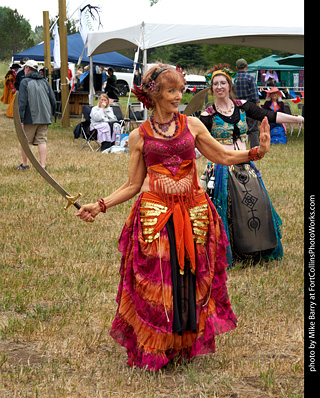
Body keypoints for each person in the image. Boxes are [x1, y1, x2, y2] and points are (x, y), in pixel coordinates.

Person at [76, 64, 272, 371]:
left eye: (180, 90)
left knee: (188, 278)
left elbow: (221, 155)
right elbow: (132, 185)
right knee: (158, 281)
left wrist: (255, 152)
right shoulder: (138, 136)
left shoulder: (192, 125)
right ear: (154, 94)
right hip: (155, 214)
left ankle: (183, 341)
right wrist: (99, 205)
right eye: (171, 91)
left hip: (194, 211)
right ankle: (157, 344)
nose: (178, 96)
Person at [199, 66, 304, 265]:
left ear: (230, 85)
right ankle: (231, 254)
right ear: (211, 89)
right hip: (221, 167)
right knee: (227, 211)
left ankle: (258, 250)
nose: (220, 87)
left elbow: (270, 116)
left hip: (246, 164)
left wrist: (299, 119)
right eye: (216, 84)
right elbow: (195, 139)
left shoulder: (243, 106)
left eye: (223, 83)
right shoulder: (208, 114)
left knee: (258, 204)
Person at [15, 60, 56, 171]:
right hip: (45, 117)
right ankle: (42, 166)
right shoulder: (45, 82)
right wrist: (52, 114)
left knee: (25, 141)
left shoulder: (25, 82)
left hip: (30, 117)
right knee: (42, 140)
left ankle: (24, 165)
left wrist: (21, 119)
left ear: (27, 68)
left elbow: (22, 102)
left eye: (24, 68)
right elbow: (53, 100)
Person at [234, 58, 260, 148]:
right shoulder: (250, 78)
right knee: (254, 130)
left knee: (236, 129)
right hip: (250, 107)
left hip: (236, 107)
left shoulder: (233, 79)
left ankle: (237, 148)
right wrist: (258, 108)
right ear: (247, 66)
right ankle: (255, 149)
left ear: (236, 67)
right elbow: (255, 95)